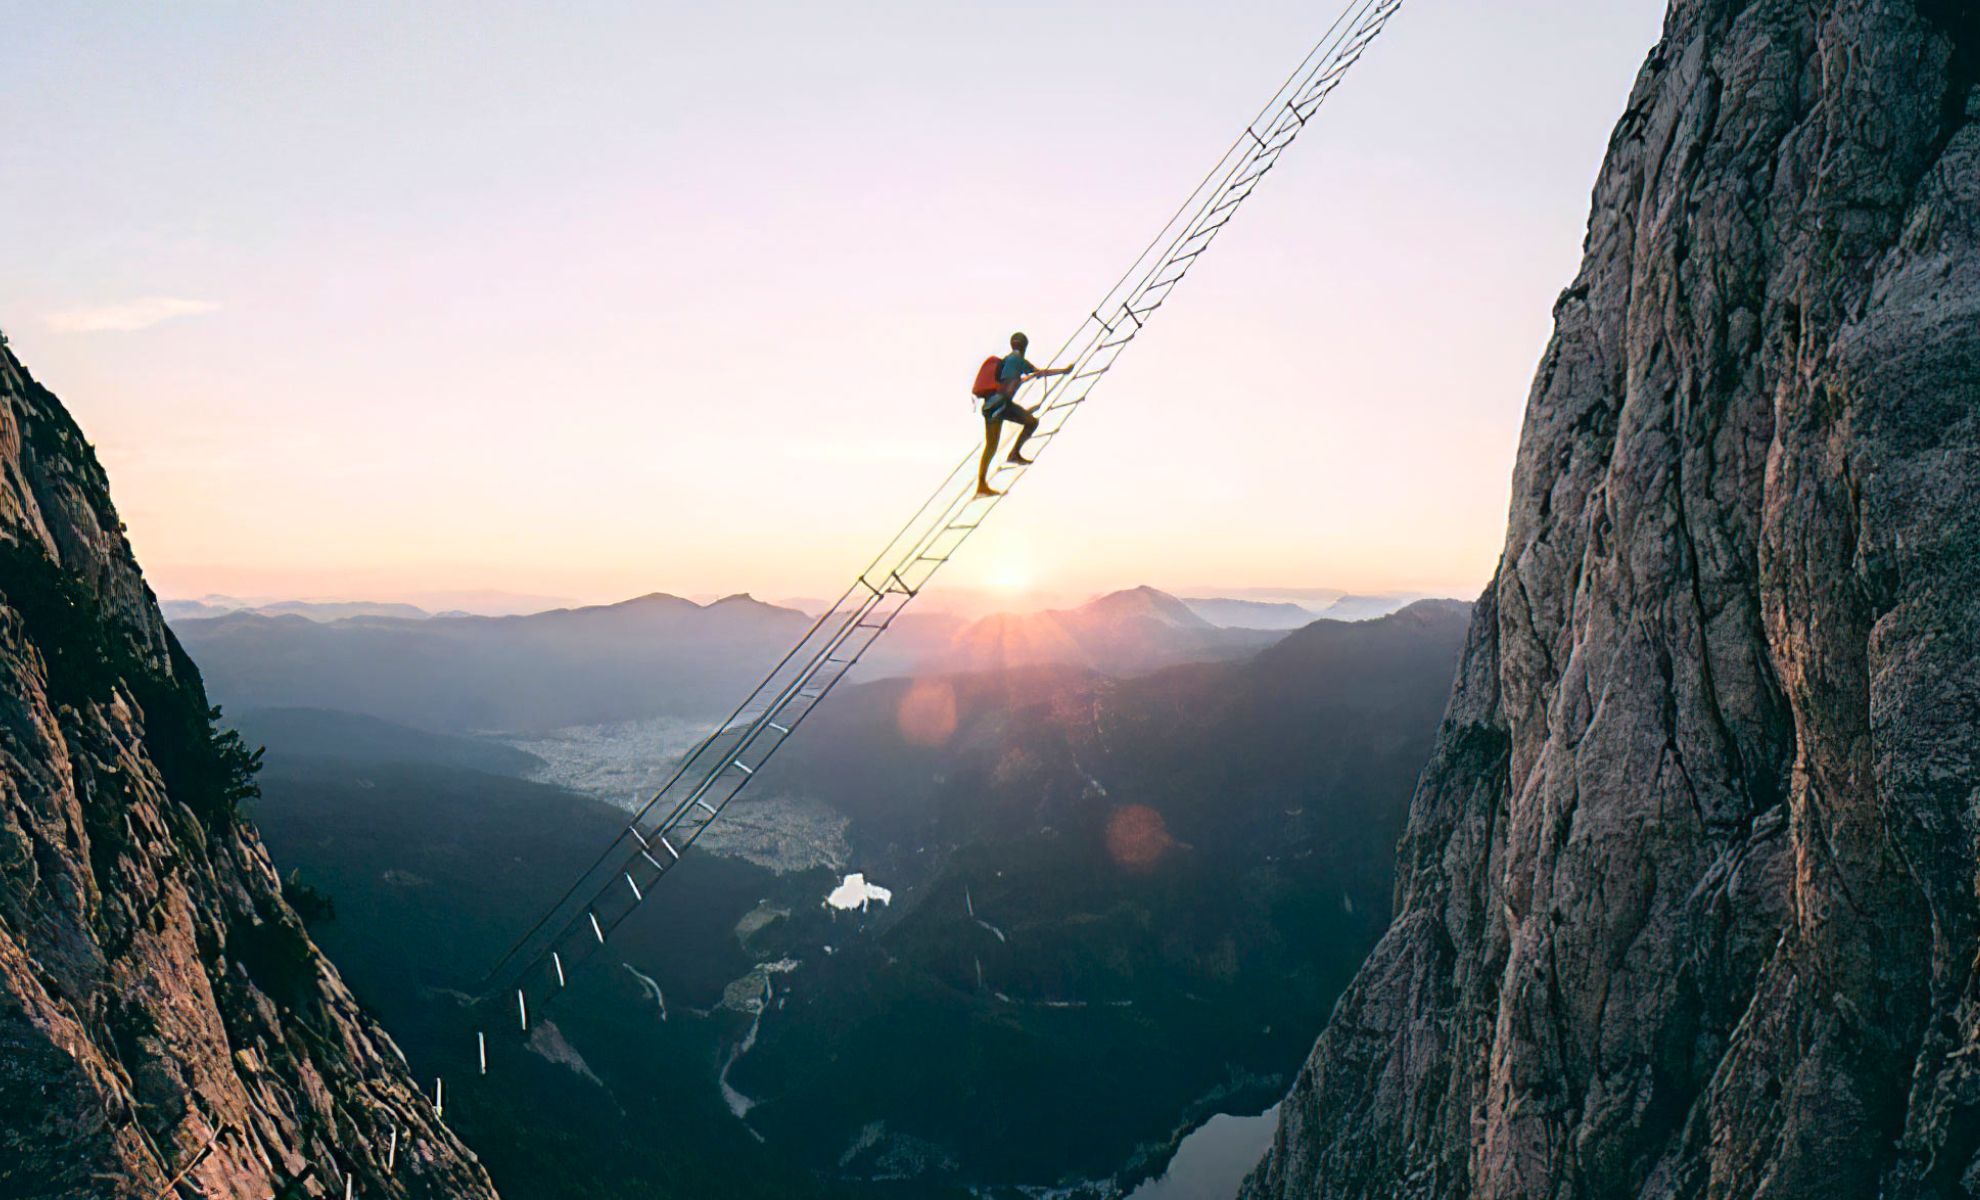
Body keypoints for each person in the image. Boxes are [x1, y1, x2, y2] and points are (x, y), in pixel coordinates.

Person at [977, 332, 1070, 497]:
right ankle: (984, 483)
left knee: (1029, 422)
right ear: (1024, 346)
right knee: (994, 445)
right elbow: (1039, 373)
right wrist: (1063, 371)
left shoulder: (1008, 360)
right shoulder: (1018, 360)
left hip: (996, 405)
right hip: (999, 406)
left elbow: (1012, 380)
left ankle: (1010, 458)